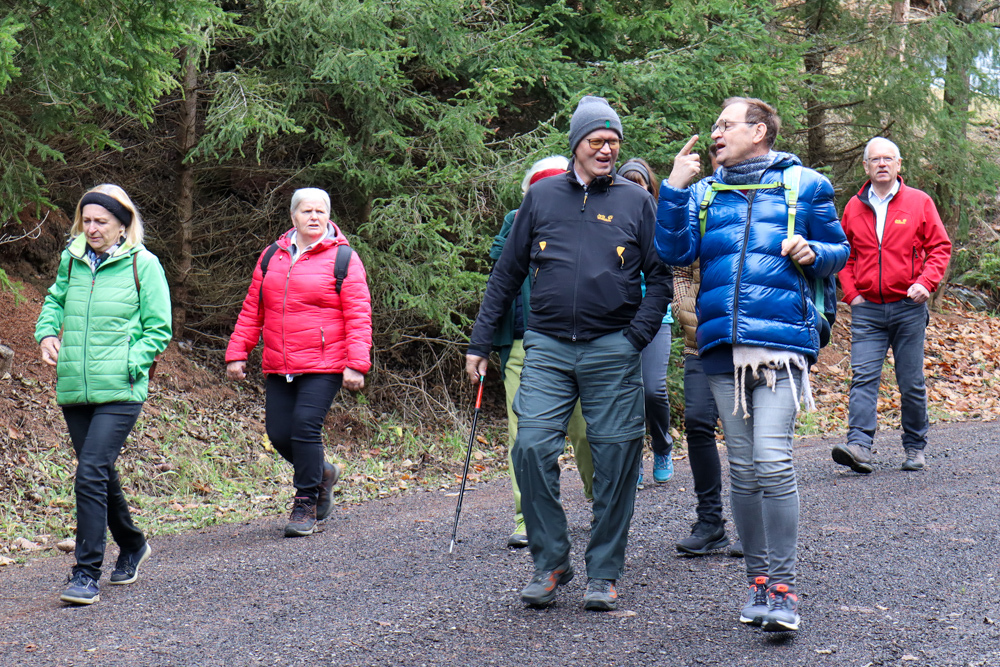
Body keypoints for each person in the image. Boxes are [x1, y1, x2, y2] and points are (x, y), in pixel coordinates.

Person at [466, 95, 672, 612]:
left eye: (613, 142)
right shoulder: (541, 199)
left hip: (612, 349)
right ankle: (552, 561)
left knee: (616, 458)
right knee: (531, 448)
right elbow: (506, 274)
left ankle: (603, 571)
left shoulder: (635, 201)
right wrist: (481, 342)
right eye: (596, 140)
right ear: (576, 143)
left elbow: (661, 279)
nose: (606, 150)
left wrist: (634, 338)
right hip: (548, 348)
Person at [656, 98, 849, 632]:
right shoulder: (702, 192)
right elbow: (674, 253)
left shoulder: (805, 185)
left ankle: (784, 590)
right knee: (742, 468)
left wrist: (814, 252)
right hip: (721, 346)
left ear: (759, 131)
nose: (715, 133)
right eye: (714, 125)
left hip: (780, 345)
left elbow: (839, 249)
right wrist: (672, 189)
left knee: (772, 460)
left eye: (726, 124)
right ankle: (758, 583)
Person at [35, 184, 172, 605]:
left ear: (123, 224)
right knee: (99, 472)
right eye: (87, 220)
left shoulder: (143, 264)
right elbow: (54, 301)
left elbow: (159, 328)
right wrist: (46, 333)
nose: (92, 229)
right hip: (75, 386)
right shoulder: (72, 259)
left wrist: (132, 360)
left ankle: (86, 572)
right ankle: (132, 543)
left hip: (121, 389)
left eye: (101, 221)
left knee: (90, 472)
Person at [226, 188, 372, 537]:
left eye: (320, 211)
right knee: (278, 433)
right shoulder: (271, 256)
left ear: (329, 216)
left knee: (305, 426)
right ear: (293, 216)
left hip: (325, 361)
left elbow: (358, 314)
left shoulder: (344, 258)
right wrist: (237, 352)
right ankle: (323, 473)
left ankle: (305, 502)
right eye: (306, 211)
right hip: (280, 361)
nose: (314, 217)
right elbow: (253, 309)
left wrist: (357, 363)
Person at [491, 156, 594, 549]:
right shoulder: (512, 229)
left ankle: (600, 500)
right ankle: (528, 516)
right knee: (524, 437)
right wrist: (483, 345)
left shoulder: (588, 225)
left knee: (585, 431)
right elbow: (498, 288)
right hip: (522, 345)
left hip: (578, 345)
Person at [833, 137, 952, 474]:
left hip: (908, 307)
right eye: (875, 159)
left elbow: (940, 247)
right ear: (866, 166)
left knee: (910, 381)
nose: (882, 164)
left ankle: (915, 446)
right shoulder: (854, 206)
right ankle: (859, 446)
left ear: (899, 164)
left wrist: (925, 283)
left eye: (888, 158)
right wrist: (852, 293)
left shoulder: (919, 202)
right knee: (863, 377)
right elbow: (845, 254)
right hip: (867, 309)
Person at [671, 143, 741, 557]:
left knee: (747, 432)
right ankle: (710, 520)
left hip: (750, 340)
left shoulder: (766, 197)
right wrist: (689, 314)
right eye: (716, 150)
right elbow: (680, 266)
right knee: (698, 421)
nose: (721, 154)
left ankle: (756, 523)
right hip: (701, 338)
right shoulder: (699, 199)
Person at [618, 158, 675, 488]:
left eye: (639, 184)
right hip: (619, 319)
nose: (634, 190)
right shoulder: (610, 221)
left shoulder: (659, 223)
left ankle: (663, 446)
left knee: (652, 389)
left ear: (649, 189)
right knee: (628, 392)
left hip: (656, 318)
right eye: (628, 183)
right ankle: (633, 460)